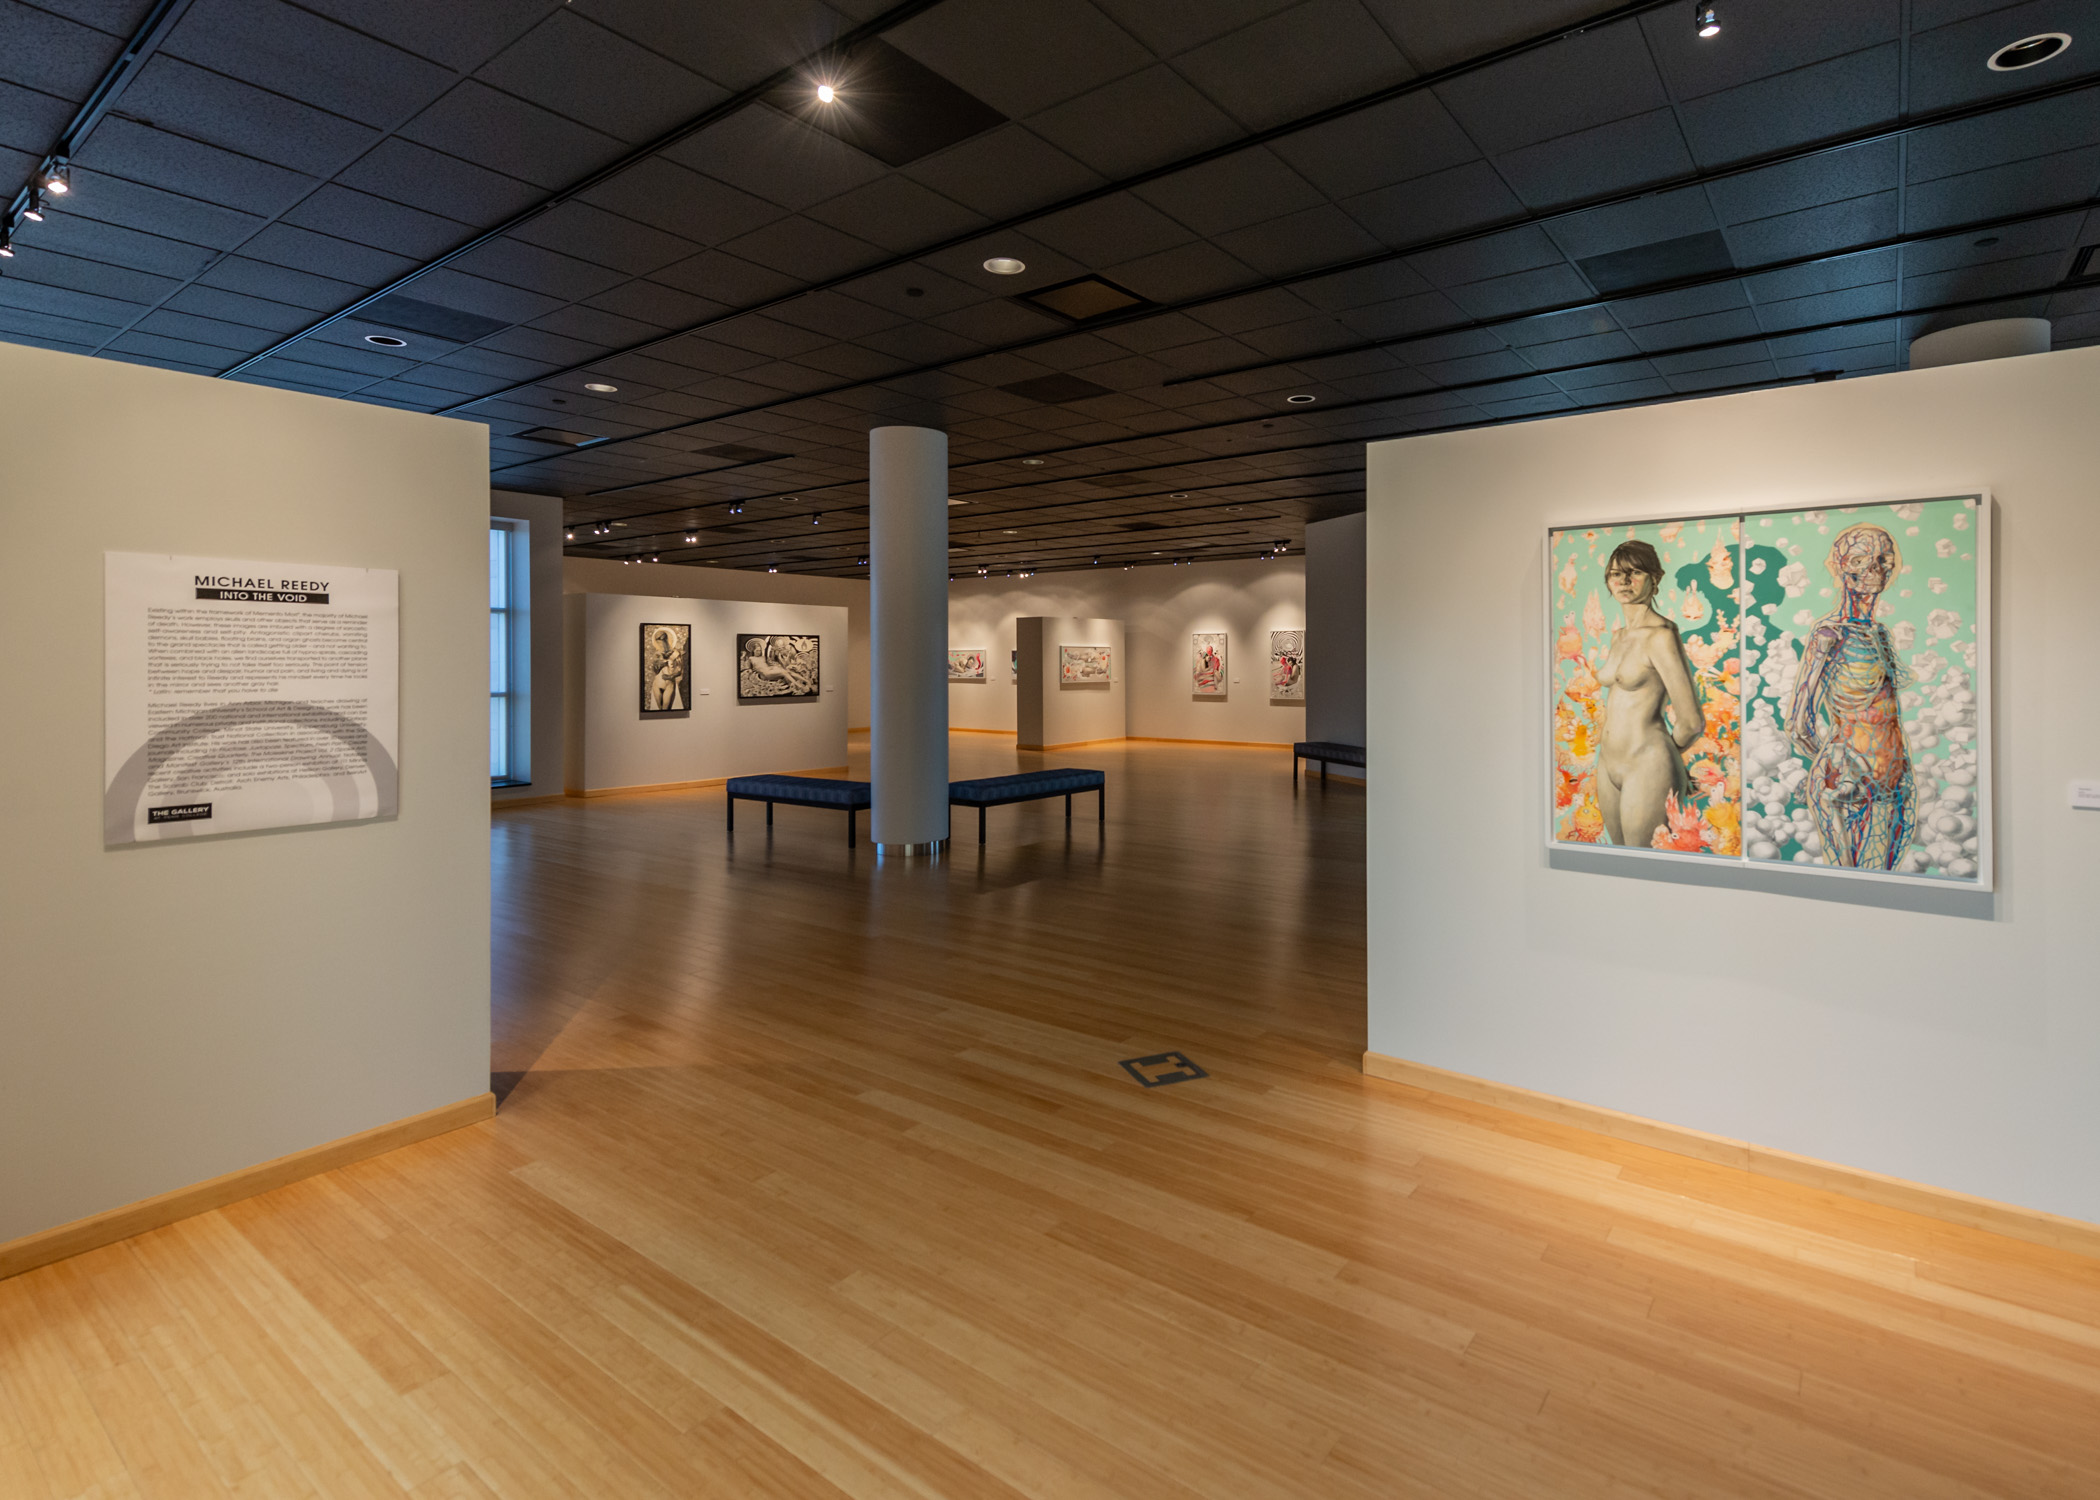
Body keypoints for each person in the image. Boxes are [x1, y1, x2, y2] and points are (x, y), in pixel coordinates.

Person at [1784, 524, 1914, 869]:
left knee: (1882, 881)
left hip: (1892, 778)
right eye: (1860, 560)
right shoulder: (1830, 634)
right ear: (1842, 567)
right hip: (1849, 782)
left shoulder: (1880, 634)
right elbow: (1798, 724)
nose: (1875, 570)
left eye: (1883, 560)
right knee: (1850, 881)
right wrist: (1835, 761)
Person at [1594, 539, 1703, 848]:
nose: (1624, 581)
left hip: (1648, 765)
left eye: (1636, 572)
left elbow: (1691, 722)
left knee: (1643, 863)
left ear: (1655, 578)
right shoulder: (1619, 636)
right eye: (1616, 574)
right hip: (1608, 764)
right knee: (1619, 862)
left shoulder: (1661, 635)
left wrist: (1666, 761)